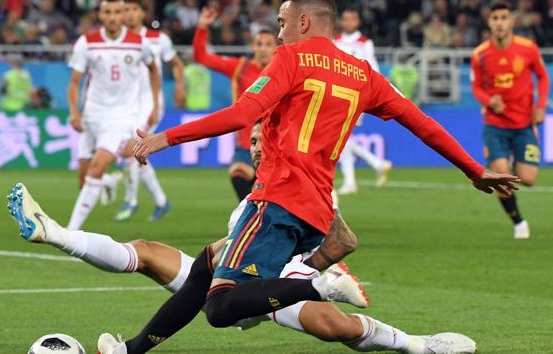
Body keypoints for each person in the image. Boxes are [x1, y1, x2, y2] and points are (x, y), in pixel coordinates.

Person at [125, 0, 519, 351]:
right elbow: (421, 123)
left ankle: (320, 285)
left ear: (304, 22)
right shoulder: (363, 74)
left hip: (276, 200)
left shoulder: (291, 59)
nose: (278, 32)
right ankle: (131, 348)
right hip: (316, 213)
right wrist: (473, 169)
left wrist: (167, 137)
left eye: (282, 22)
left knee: (220, 306)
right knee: (205, 267)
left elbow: (244, 114)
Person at [7, 120, 476, 354]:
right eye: (250, 143)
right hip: (232, 278)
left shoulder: (302, 191)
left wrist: (318, 269)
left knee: (341, 328)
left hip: (278, 287)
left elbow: (337, 241)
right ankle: (56, 233)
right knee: (153, 253)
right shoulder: (254, 198)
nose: (255, 148)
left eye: (261, 142)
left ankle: (420, 344)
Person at [65, 0, 160, 231]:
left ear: (124, 14)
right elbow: (75, 81)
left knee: (96, 168)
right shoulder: (87, 43)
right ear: (100, 15)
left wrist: (155, 104)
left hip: (120, 118)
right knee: (85, 181)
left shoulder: (139, 43)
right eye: (107, 12)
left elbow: (153, 70)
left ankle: (70, 232)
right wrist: (75, 112)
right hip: (92, 116)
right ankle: (108, 182)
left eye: (118, 12)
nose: (113, 17)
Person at [470, 0, 549, 240]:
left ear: (511, 21)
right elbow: (476, 87)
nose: (500, 23)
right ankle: (518, 222)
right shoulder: (480, 54)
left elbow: (543, 78)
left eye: (504, 18)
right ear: (489, 22)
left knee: (528, 179)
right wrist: (489, 101)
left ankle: (513, 162)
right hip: (495, 125)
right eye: (495, 19)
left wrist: (541, 106)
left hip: (524, 123)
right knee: (501, 177)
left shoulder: (528, 48)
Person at [103, 0, 186, 223]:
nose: (129, 14)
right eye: (126, 10)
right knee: (135, 152)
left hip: (150, 105)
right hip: (126, 106)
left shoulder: (158, 39)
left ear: (142, 13)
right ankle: (161, 201)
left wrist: (179, 87)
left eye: (133, 9)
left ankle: (130, 200)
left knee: (131, 150)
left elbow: (176, 64)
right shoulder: (117, 42)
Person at [192, 6, 277, 201]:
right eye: (259, 44)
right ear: (253, 46)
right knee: (238, 172)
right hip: (247, 143)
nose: (263, 48)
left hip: (276, 143)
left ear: (276, 47)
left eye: (268, 44)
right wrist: (202, 28)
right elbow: (201, 57)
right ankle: (250, 214)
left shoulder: (284, 70)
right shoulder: (240, 67)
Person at [333, 7, 393, 194]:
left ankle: (353, 180)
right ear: (342, 21)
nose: (349, 22)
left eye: (353, 19)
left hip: (356, 96)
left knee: (340, 137)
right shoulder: (335, 41)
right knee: (341, 138)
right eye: (346, 19)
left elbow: (372, 67)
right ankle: (376, 164)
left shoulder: (365, 43)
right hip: (336, 95)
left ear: (357, 22)